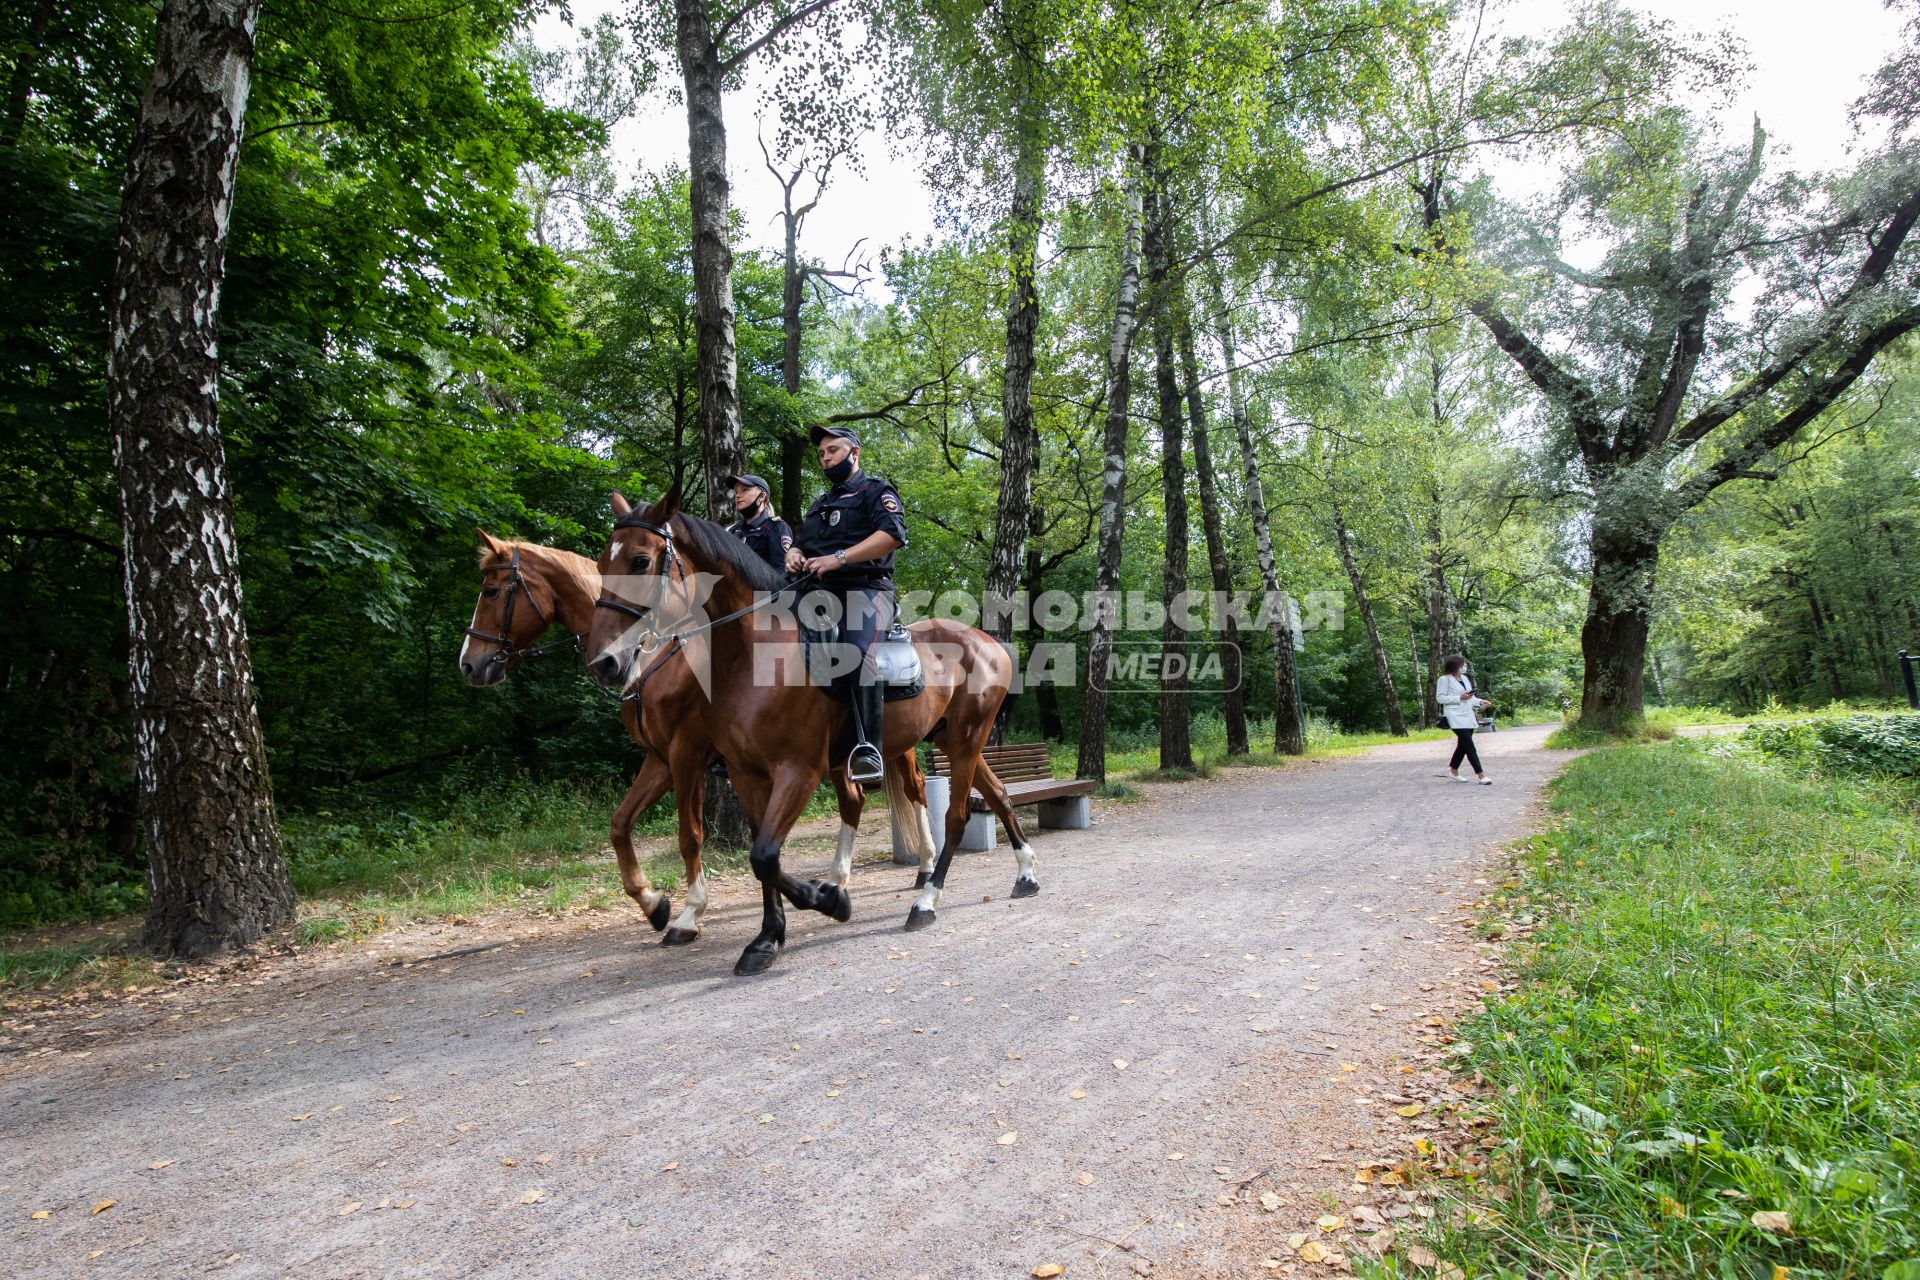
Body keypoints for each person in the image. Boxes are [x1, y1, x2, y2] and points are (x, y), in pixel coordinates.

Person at [786, 425, 907, 785]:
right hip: (819, 594)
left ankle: (869, 751)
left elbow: (892, 536)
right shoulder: (819, 504)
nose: (826, 458)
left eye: (833, 451)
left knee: (856, 652)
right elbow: (804, 545)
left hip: (868, 591)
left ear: (854, 453)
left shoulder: (876, 491)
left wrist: (838, 558)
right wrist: (794, 553)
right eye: (822, 454)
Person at [1436, 654, 1491, 784]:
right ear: (1455, 665)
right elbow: (1440, 698)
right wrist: (1458, 698)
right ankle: (1481, 775)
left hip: (1467, 715)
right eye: (1462, 664)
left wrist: (1480, 701)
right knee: (1470, 746)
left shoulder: (1465, 678)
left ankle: (1453, 770)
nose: (1464, 666)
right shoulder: (1444, 679)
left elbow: (1469, 698)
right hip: (1454, 716)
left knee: (1463, 745)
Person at [724, 473, 793, 575]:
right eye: (736, 492)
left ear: (762, 497)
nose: (738, 495)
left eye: (745, 490)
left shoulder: (776, 527)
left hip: (765, 590)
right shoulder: (733, 530)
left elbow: (783, 572)